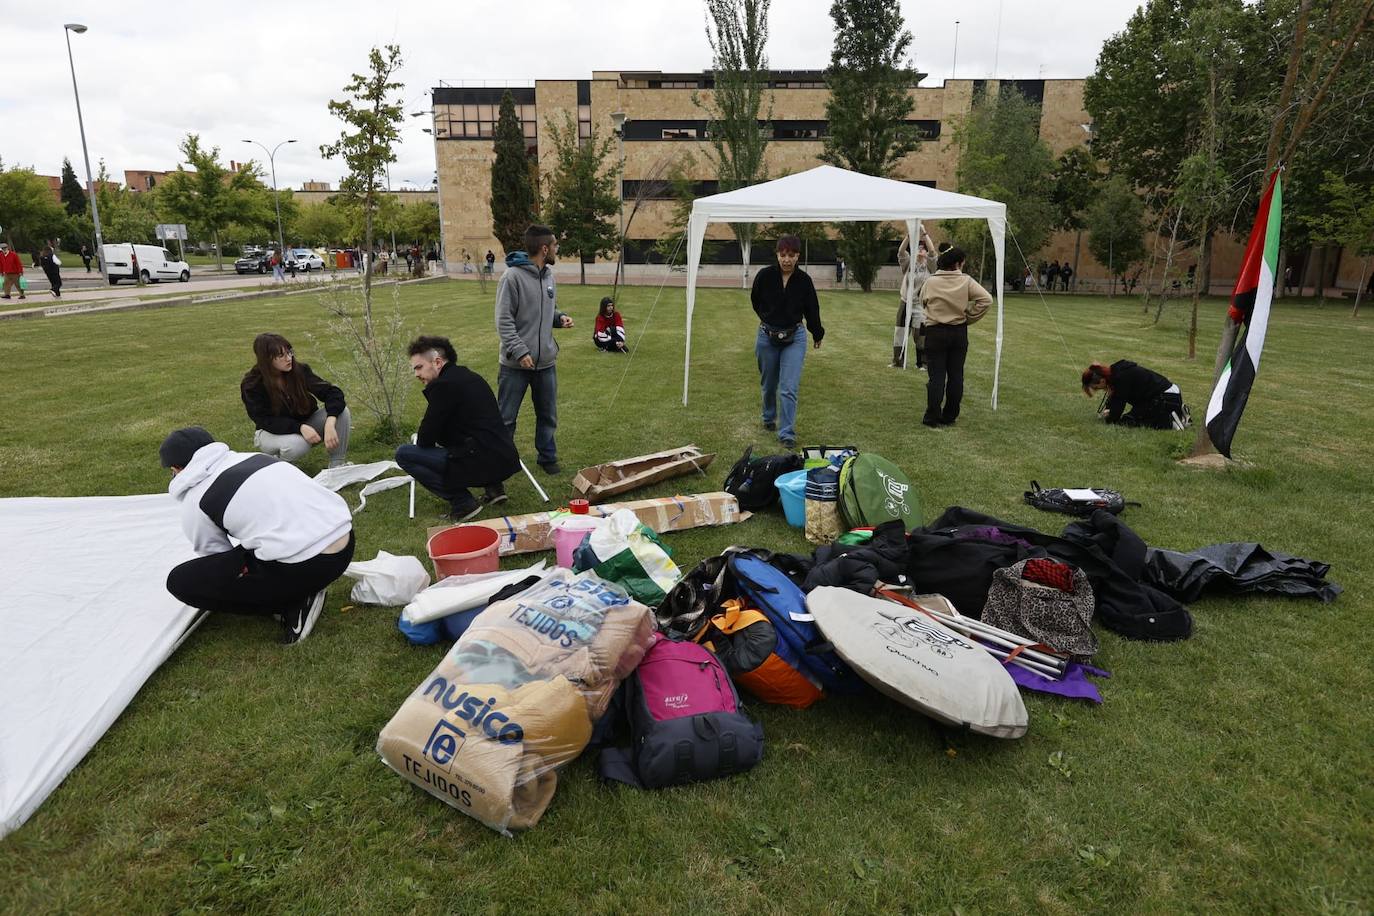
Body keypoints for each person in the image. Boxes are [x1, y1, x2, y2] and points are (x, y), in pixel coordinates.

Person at [160, 426, 355, 645]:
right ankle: (299, 588)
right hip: (345, 541)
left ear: (177, 468)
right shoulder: (257, 458)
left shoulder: (195, 502)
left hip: (307, 565)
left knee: (180, 581)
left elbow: (218, 561)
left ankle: (292, 604)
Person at [396, 336, 521, 521]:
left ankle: (462, 502)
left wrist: (440, 435)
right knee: (471, 438)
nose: (416, 374)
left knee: (404, 454)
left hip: (481, 459)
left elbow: (425, 439)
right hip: (504, 455)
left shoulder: (443, 386)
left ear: (437, 362)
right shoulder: (470, 376)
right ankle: (494, 489)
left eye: (419, 367)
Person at [496, 224, 574, 474]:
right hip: (515, 365)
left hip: (546, 363)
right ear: (544, 248)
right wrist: (521, 352)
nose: (556, 249)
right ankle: (501, 463)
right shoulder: (512, 278)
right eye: (554, 245)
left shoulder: (548, 276)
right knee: (506, 419)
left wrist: (559, 317)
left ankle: (547, 457)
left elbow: (545, 310)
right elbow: (503, 321)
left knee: (547, 415)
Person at [751, 234, 824, 449]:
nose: (786, 259)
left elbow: (812, 309)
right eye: (783, 255)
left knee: (789, 387)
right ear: (777, 254)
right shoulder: (764, 276)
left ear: (798, 256)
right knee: (769, 384)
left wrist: (817, 333)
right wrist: (767, 316)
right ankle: (768, 416)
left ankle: (787, 432)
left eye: (791, 255)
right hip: (767, 336)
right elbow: (755, 300)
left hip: (795, 337)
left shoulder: (804, 281)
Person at [241, 333, 351, 467]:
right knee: (297, 445)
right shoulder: (252, 384)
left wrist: (330, 422)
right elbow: (265, 420)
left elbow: (332, 392)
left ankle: (337, 466)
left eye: (289, 352)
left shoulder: (299, 370)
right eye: (281, 355)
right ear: (266, 359)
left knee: (341, 412)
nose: (289, 358)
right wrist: (300, 427)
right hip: (270, 432)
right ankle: (278, 466)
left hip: (304, 425)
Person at [919, 246, 992, 428]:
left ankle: (932, 416)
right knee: (956, 376)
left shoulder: (931, 282)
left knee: (936, 377)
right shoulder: (966, 281)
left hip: (935, 331)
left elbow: (922, 301)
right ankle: (950, 415)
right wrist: (969, 317)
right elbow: (986, 300)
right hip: (958, 331)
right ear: (958, 263)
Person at [1082, 361, 1189, 429]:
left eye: (1096, 388)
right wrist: (1109, 409)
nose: (1099, 390)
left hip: (1165, 397)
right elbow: (1115, 400)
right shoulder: (1117, 373)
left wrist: (1108, 417)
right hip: (1166, 395)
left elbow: (1116, 413)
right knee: (1130, 418)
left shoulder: (1120, 379)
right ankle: (1178, 412)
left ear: (1102, 381)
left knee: (1128, 422)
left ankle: (1171, 421)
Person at [891, 232, 935, 369]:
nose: (920, 250)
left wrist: (925, 234)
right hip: (905, 302)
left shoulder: (930, 266)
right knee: (900, 331)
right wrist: (909, 236)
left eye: (923, 248)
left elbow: (933, 251)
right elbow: (901, 251)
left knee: (920, 334)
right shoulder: (909, 262)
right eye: (918, 248)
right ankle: (898, 361)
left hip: (921, 305)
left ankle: (922, 363)